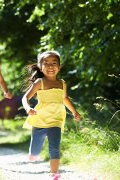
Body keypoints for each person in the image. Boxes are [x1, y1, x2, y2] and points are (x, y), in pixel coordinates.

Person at [22, 50, 81, 179]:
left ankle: (54, 173)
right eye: (46, 63)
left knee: (55, 146)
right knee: (35, 149)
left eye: (54, 63)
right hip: (40, 119)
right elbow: (25, 98)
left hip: (56, 119)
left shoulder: (62, 83)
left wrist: (74, 112)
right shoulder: (39, 82)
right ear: (41, 67)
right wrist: (28, 109)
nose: (50, 66)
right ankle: (33, 153)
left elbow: (64, 99)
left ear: (59, 67)